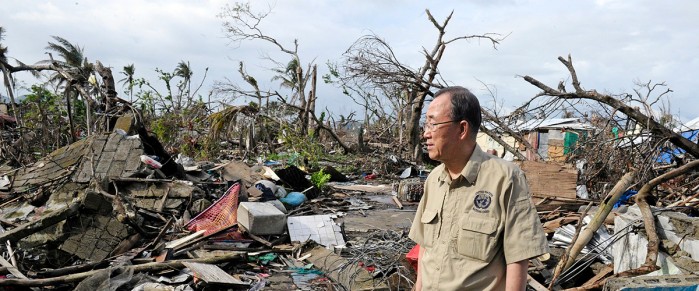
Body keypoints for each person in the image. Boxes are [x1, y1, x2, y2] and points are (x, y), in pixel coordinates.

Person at [409, 86, 548, 290]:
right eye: (425, 125)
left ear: (462, 129)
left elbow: (519, 257)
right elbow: (425, 248)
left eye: (433, 124)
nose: (426, 134)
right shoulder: (434, 179)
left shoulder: (505, 178)